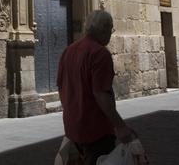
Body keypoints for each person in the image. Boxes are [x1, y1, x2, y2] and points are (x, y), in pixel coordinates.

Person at [57, 10, 136, 165]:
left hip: (73, 128)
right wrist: (120, 126)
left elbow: (61, 87)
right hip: (96, 130)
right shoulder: (100, 54)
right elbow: (101, 94)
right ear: (103, 29)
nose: (111, 34)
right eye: (111, 29)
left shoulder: (68, 51)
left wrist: (72, 114)